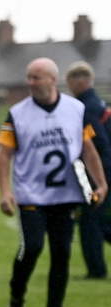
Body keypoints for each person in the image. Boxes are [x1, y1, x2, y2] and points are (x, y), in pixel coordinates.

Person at [0, 57, 107, 307]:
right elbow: (4, 156)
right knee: (31, 248)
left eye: (36, 78)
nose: (30, 83)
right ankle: (16, 296)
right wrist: (5, 191)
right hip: (31, 195)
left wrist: (101, 184)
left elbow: (88, 149)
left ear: (52, 80)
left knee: (62, 254)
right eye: (29, 77)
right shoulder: (17, 113)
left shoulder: (76, 109)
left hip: (66, 195)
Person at [65, 61, 111, 279]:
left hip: (98, 174)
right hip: (105, 171)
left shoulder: (85, 108)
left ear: (80, 82)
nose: (69, 88)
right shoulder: (99, 103)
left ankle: (96, 270)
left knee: (90, 222)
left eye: (70, 83)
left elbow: (97, 143)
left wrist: (94, 178)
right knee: (102, 221)